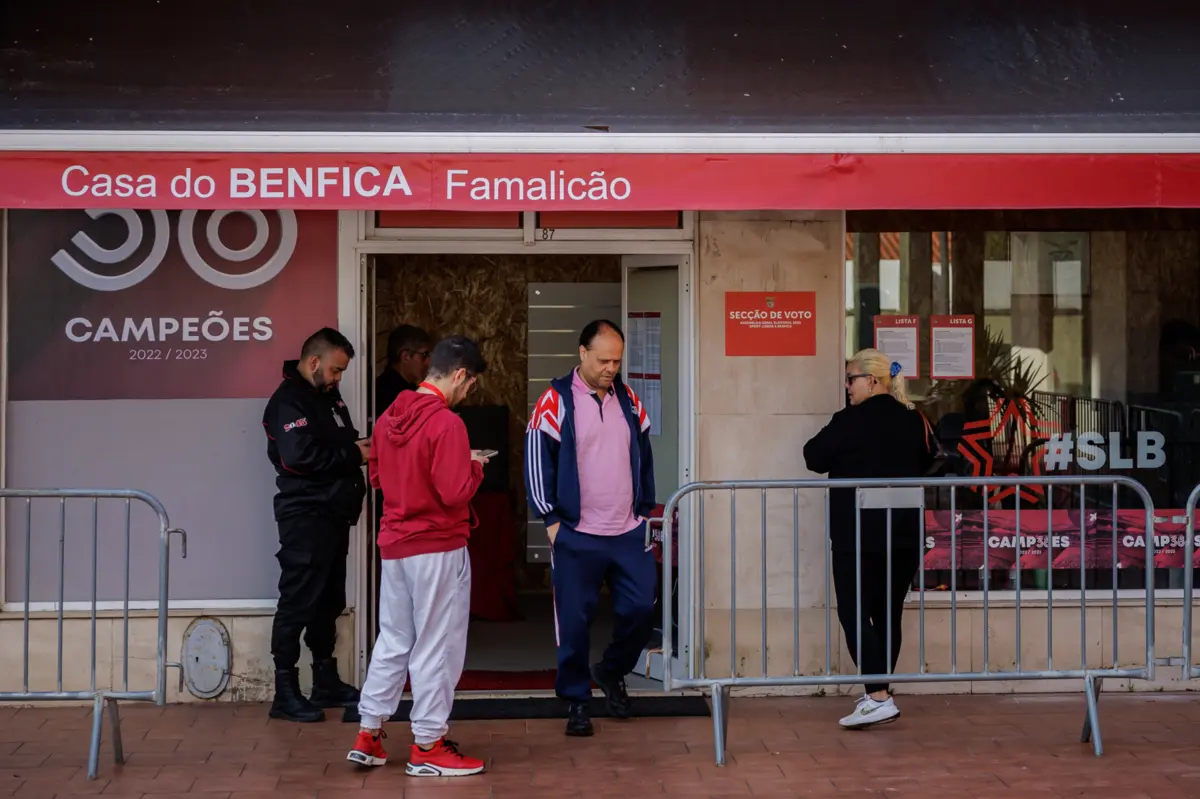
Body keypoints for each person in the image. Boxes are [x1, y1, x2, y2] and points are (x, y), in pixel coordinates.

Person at [347, 335, 490, 777]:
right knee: (437, 644)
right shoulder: (448, 425)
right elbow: (453, 492)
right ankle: (428, 744)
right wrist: (474, 466)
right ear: (460, 374)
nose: (466, 396)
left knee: (393, 639)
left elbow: (376, 473)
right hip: (439, 545)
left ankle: (368, 732)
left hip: (396, 544)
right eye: (468, 387)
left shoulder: (392, 414)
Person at [524, 319, 657, 737]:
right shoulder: (555, 400)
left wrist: (644, 510)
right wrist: (550, 521)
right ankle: (577, 701)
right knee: (575, 622)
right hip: (577, 533)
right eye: (603, 360)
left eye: (617, 360)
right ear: (582, 353)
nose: (611, 368)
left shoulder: (630, 399)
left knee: (640, 608)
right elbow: (535, 459)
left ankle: (611, 670)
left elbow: (645, 456)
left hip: (627, 530)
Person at [802, 348, 936, 730]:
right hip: (904, 533)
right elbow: (931, 459)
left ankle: (877, 696)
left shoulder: (850, 420)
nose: (847, 387)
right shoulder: (913, 420)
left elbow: (813, 456)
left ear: (872, 381)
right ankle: (880, 694)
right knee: (887, 612)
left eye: (851, 379)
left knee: (855, 612)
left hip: (856, 534)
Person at [262, 327, 368, 723]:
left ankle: (325, 679)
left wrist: (361, 449)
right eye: (337, 370)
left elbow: (341, 442)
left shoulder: (327, 397)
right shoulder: (288, 402)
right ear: (314, 362)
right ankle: (284, 691)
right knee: (298, 601)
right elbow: (299, 457)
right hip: (304, 516)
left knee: (328, 601)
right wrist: (355, 454)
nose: (339, 378)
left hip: (334, 514)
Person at [376, 324, 433, 418]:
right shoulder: (388, 395)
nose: (428, 361)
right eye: (424, 355)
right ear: (405, 356)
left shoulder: (408, 388)